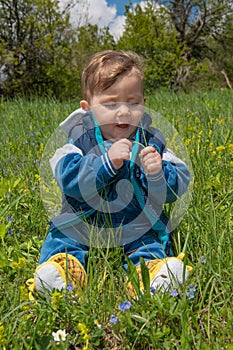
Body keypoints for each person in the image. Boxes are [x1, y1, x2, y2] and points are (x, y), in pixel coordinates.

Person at [30, 50, 192, 296]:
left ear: (143, 103)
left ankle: (150, 276)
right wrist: (105, 163)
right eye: (111, 103)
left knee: (147, 243)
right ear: (88, 108)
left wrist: (158, 173)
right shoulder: (78, 142)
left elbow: (180, 181)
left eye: (133, 102)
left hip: (136, 221)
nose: (124, 111)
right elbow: (69, 178)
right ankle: (62, 274)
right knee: (65, 237)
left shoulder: (152, 142)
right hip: (84, 220)